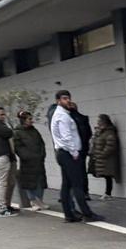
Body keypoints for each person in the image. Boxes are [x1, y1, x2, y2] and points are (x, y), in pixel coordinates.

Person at [50, 90, 102, 223]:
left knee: (67, 185)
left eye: (68, 98)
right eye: (64, 98)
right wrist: (74, 153)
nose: (67, 101)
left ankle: (69, 214)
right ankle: (87, 214)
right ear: (58, 100)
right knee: (77, 184)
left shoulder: (62, 114)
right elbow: (67, 137)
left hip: (64, 153)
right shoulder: (63, 117)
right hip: (68, 153)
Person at [13, 111, 49, 211]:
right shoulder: (17, 132)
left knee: (40, 180)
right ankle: (33, 201)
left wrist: (42, 155)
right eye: (29, 119)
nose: (31, 121)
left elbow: (41, 143)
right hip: (28, 161)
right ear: (23, 120)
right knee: (30, 181)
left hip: (38, 160)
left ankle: (40, 200)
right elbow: (18, 148)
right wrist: (27, 157)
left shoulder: (34, 131)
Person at [89, 114, 119, 201]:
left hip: (107, 159)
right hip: (101, 158)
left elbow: (111, 146)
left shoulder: (109, 132)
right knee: (105, 175)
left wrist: (101, 154)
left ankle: (108, 193)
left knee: (107, 175)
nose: (98, 123)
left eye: (99, 121)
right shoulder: (100, 132)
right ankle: (107, 193)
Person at [0, 107, 19, 210]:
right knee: (3, 182)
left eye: (4, 114)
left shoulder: (6, 125)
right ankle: (2, 205)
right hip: (4, 156)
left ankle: (8, 204)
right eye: (1, 114)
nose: (3, 116)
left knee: (11, 182)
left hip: (11, 156)